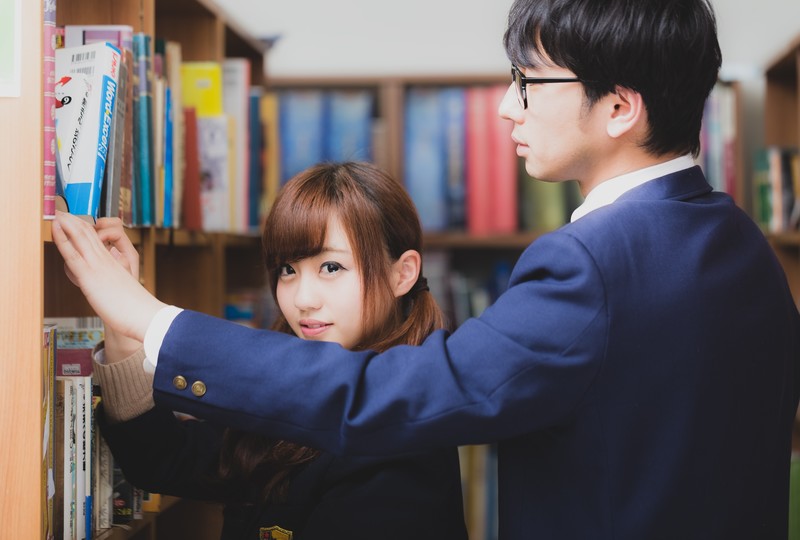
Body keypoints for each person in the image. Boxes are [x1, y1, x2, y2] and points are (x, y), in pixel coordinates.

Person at [53, 0, 800, 537]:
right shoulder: (741, 245)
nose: (506, 107)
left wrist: (150, 319)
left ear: (619, 108)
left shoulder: (589, 264)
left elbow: (393, 397)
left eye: (529, 82)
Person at [86, 162, 468, 539]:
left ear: (402, 273)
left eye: (331, 267)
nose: (302, 299)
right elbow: (167, 459)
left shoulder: (404, 428)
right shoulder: (287, 379)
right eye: (288, 269)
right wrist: (119, 319)